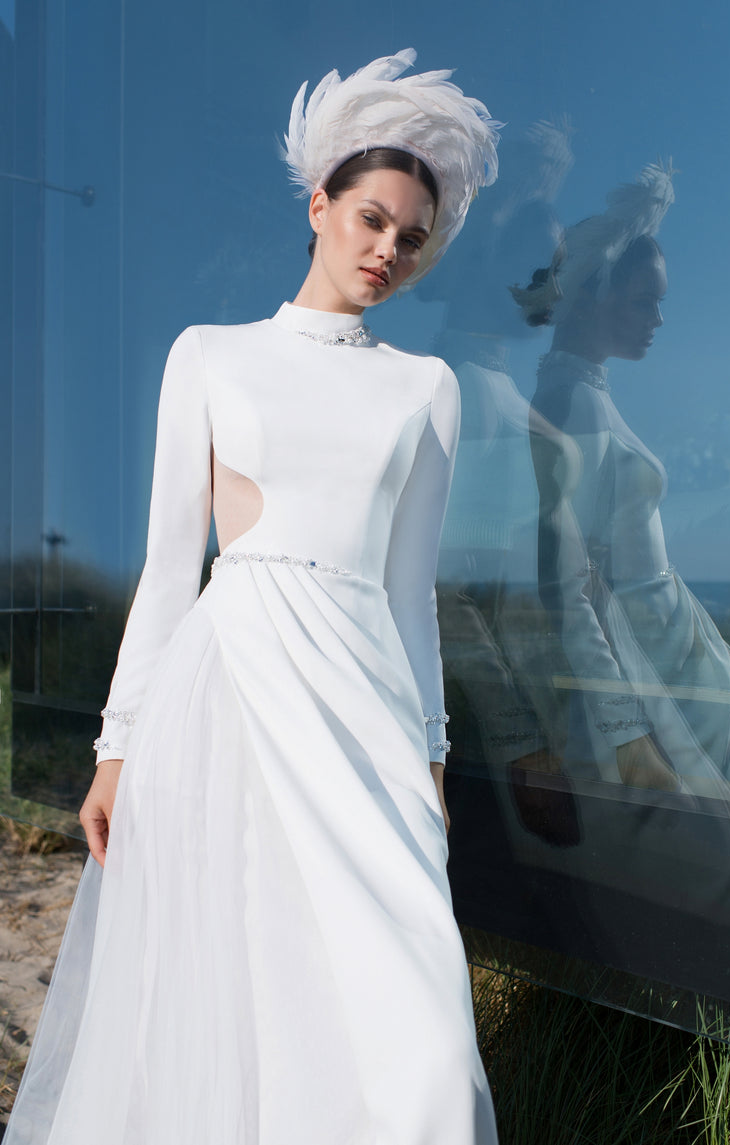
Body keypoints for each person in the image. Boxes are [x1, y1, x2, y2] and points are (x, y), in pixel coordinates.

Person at [6, 49, 500, 1145]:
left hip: (364, 713)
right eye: (371, 217)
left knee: (414, 1041)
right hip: (227, 700)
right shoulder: (210, 356)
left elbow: (410, 592)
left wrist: (427, 766)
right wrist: (116, 746)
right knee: (234, 1003)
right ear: (318, 203)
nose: (387, 249)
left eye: (411, 237)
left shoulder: (427, 389)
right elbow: (168, 571)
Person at [517, 162, 730, 807]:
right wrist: (624, 722)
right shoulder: (571, 406)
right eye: (647, 301)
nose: (660, 321)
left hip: (674, 639)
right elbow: (565, 583)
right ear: (592, 295)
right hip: (653, 653)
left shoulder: (582, 397)